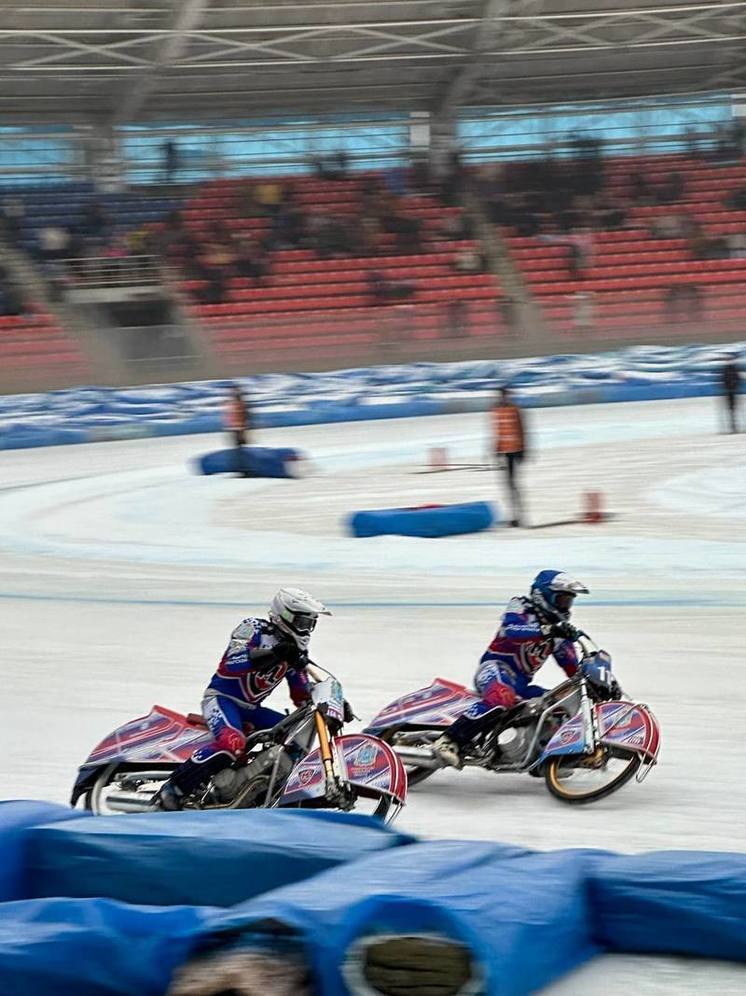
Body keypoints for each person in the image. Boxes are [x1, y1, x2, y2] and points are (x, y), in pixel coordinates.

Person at [159, 588, 333, 810]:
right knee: (231, 741)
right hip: (222, 699)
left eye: (310, 624)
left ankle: (261, 792)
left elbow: (300, 694)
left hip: (251, 708)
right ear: (284, 616)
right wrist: (276, 654)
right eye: (301, 622)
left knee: (296, 735)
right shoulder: (253, 628)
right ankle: (174, 787)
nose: (306, 629)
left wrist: (329, 700)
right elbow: (232, 663)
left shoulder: (293, 653)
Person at [432, 571, 589, 769]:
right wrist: (546, 630)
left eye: (569, 601)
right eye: (562, 600)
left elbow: (572, 668)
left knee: (558, 706)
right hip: (494, 669)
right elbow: (512, 629)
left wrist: (594, 678)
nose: (565, 606)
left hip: (522, 685)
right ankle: (448, 740)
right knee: (501, 696)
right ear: (544, 596)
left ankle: (547, 758)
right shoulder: (521, 605)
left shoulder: (558, 633)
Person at [491, 387, 527, 527]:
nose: (504, 398)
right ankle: (514, 516)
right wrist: (496, 450)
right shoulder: (496, 411)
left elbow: (523, 429)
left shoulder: (515, 410)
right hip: (504, 452)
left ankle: (519, 517)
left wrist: (523, 450)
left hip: (515, 451)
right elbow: (498, 431)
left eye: (506, 395)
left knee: (513, 484)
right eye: (502, 395)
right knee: (508, 484)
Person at [224, 383, 252, 477]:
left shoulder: (240, 403)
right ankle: (242, 469)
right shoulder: (233, 403)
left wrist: (243, 429)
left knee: (241, 450)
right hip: (234, 429)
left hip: (240, 429)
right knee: (238, 450)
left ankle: (245, 469)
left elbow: (246, 416)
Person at [722, 354, 742, 433]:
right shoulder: (730, 369)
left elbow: (738, 379)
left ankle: (734, 427)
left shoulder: (731, 369)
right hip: (730, 391)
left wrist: (733, 386)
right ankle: (733, 427)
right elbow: (738, 379)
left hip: (731, 391)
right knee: (732, 409)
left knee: (732, 409)